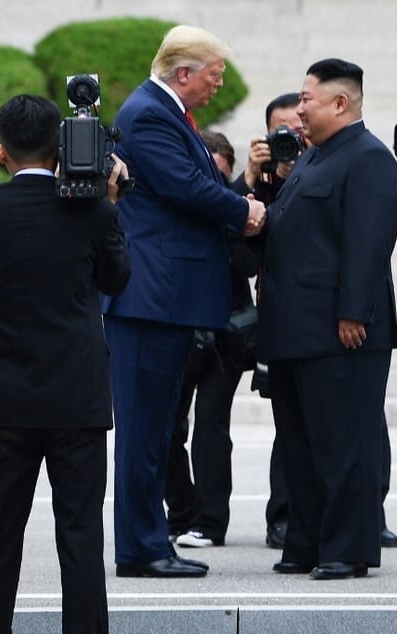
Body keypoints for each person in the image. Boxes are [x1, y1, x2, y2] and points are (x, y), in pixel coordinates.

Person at [0, 94, 130, 632]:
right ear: (61, 148)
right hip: (76, 395)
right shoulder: (94, 212)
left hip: (3, 392)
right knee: (80, 534)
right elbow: (116, 281)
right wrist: (108, 201)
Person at [101, 24, 266, 579]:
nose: (219, 84)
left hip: (164, 297)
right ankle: (141, 547)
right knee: (146, 431)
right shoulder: (150, 113)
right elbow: (185, 186)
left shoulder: (164, 111)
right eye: (215, 75)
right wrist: (242, 209)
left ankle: (149, 542)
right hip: (152, 296)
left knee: (155, 430)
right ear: (184, 73)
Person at [232, 92, 397, 549]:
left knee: (344, 446)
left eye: (308, 99)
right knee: (300, 445)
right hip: (294, 331)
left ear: (341, 102)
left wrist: (353, 312)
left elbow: (369, 243)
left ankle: (347, 550)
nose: (300, 111)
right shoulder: (311, 160)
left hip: (339, 332)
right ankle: (305, 543)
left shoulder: (368, 157)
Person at [166, 130, 260, 548]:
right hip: (181, 331)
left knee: (210, 424)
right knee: (167, 427)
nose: (211, 186)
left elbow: (248, 264)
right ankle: (183, 510)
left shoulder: (237, 211)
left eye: (219, 176)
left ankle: (209, 521)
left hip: (229, 334)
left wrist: (227, 212)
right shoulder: (176, 208)